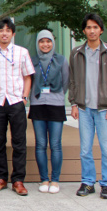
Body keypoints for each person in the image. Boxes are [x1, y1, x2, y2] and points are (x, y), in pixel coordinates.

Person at [69, 13, 107, 199]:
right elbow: (73, 80)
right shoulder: (76, 53)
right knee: (85, 149)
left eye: (95, 27)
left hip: (104, 108)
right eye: (88, 27)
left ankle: (106, 184)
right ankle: (88, 182)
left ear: (101, 29)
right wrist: (73, 103)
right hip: (83, 108)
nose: (92, 30)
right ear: (84, 30)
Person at [0, 17, 35, 196]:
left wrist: (24, 97)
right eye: (1, 30)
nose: (4, 33)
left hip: (15, 102)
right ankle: (1, 178)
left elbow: (28, 76)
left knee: (19, 142)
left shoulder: (22, 52)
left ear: (13, 33)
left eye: (8, 30)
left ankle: (18, 180)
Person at [29, 30, 69, 194]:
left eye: (48, 41)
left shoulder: (61, 60)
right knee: (40, 145)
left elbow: (66, 82)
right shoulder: (32, 61)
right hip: (37, 105)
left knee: (55, 145)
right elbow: (29, 82)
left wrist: (56, 96)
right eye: (41, 41)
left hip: (56, 105)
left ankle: (55, 180)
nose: (45, 44)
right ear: (37, 44)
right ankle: (44, 179)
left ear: (53, 42)